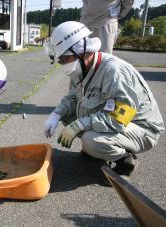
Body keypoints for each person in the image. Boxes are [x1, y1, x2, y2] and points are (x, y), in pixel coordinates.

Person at [43, 21, 164, 182]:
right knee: (67, 115)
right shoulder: (80, 68)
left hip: (141, 128)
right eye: (61, 60)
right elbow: (73, 97)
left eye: (64, 59)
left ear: (81, 51)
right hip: (116, 120)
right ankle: (96, 149)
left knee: (91, 140)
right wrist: (56, 114)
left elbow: (119, 117)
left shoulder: (113, 71)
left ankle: (125, 161)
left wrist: (80, 124)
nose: (63, 64)